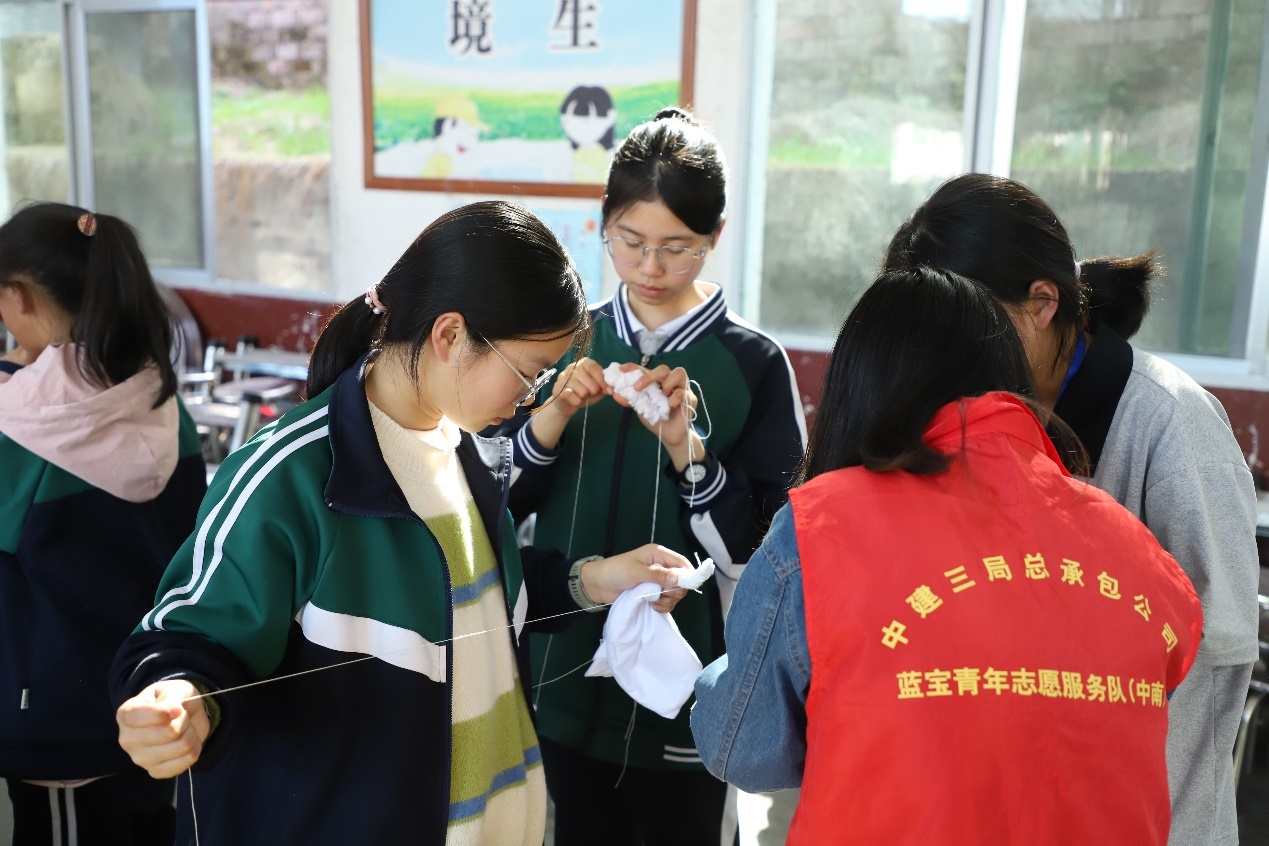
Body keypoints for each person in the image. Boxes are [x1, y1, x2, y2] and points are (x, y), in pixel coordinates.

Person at [110, 200, 692, 846]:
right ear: (450, 336)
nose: (528, 398)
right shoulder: (295, 475)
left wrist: (596, 580)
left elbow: (468, 593)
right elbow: (188, 636)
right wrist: (175, 697)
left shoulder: (462, 449)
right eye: (527, 374)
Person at [691, 266, 1204, 845]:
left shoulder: (823, 526)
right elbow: (1166, 665)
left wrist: (710, 676)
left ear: (861, 387)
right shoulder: (1130, 541)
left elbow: (744, 749)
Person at [883, 173, 1259, 846]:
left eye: (968, 331)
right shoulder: (966, 413)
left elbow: (1210, 656)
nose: (946, 362)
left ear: (1041, 303)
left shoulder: (1170, 421)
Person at [500, 107, 806, 845]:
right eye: (630, 242)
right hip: (561, 674)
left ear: (715, 237)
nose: (649, 268)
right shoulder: (565, 339)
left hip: (690, 693)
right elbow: (491, 506)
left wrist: (686, 449)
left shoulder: (754, 364)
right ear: (603, 222)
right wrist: (550, 416)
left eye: (678, 249)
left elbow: (765, 552)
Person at [0, 203, 206, 845]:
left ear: (17, 297)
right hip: (153, 694)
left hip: (57, 718)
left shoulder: (18, 427)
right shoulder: (162, 401)